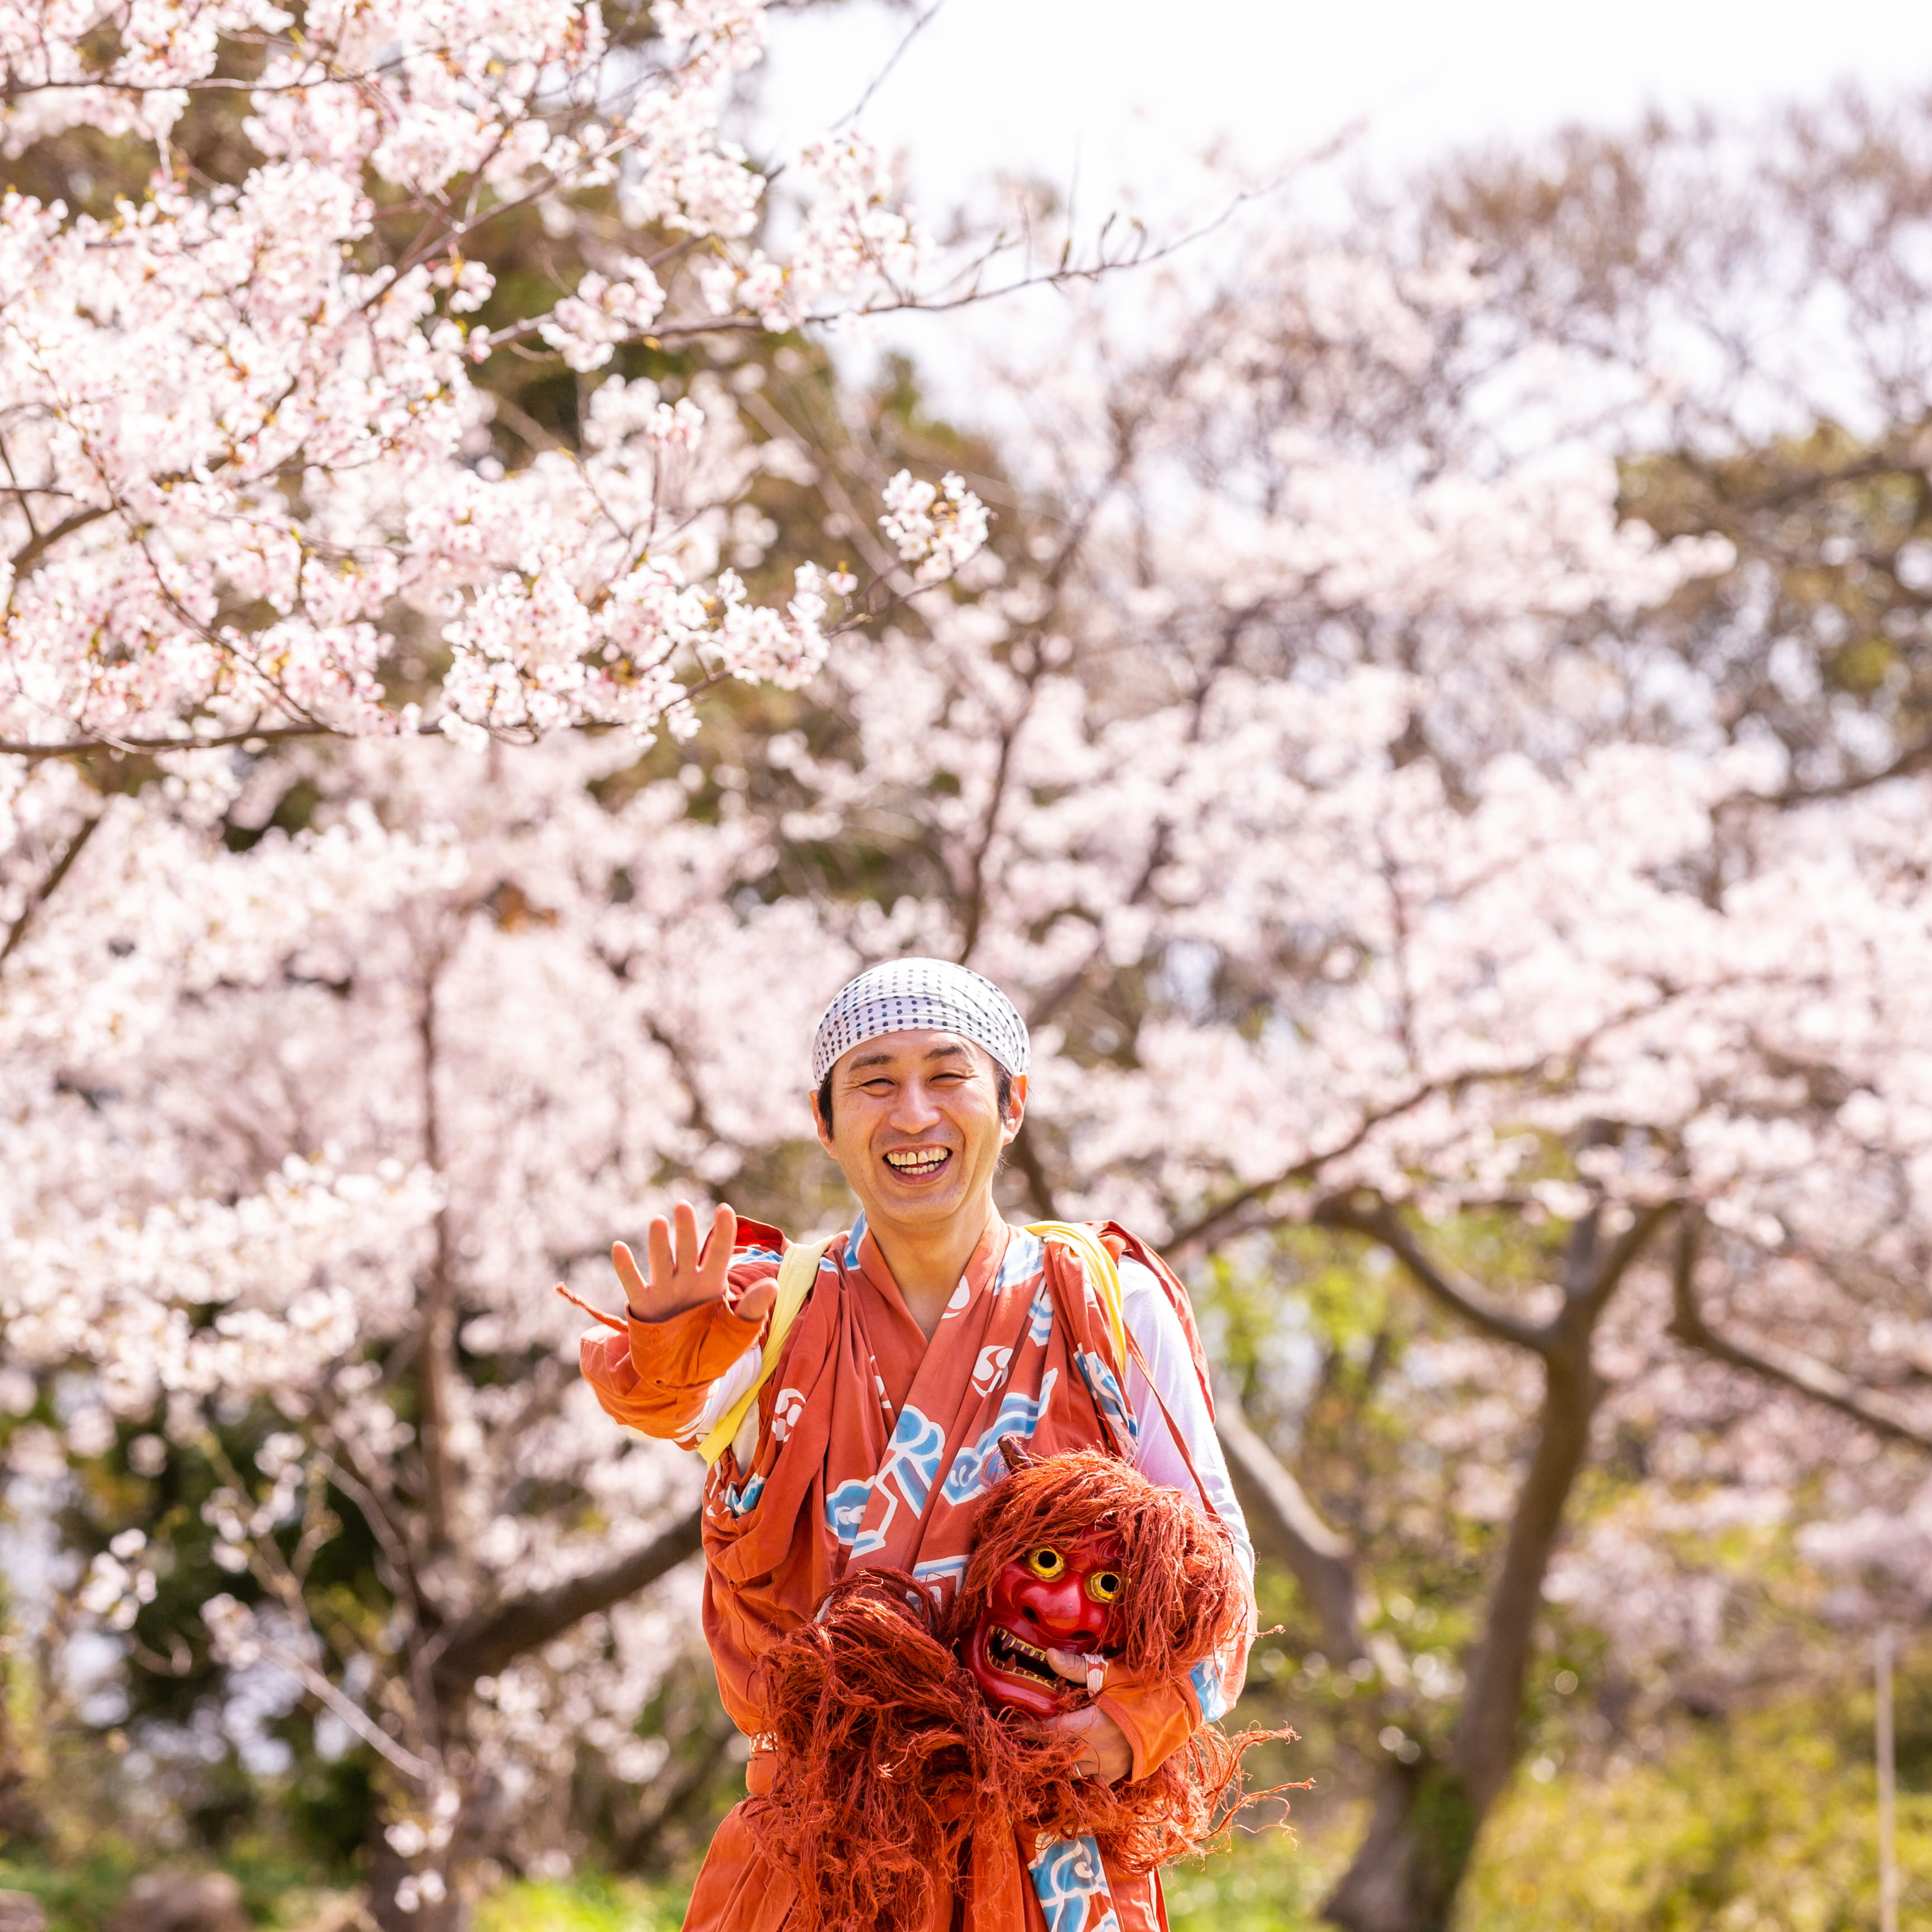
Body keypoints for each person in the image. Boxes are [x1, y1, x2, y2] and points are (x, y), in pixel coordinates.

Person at [575, 958, 1254, 1932]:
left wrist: (1137, 1720)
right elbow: (671, 1407)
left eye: (947, 1076)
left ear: (1013, 1104)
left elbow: (1220, 1570)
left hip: (1050, 1855)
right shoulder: (770, 1315)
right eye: (875, 1083)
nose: (914, 1114)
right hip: (818, 1854)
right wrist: (664, 1354)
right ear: (825, 1123)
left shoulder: (1107, 1303)